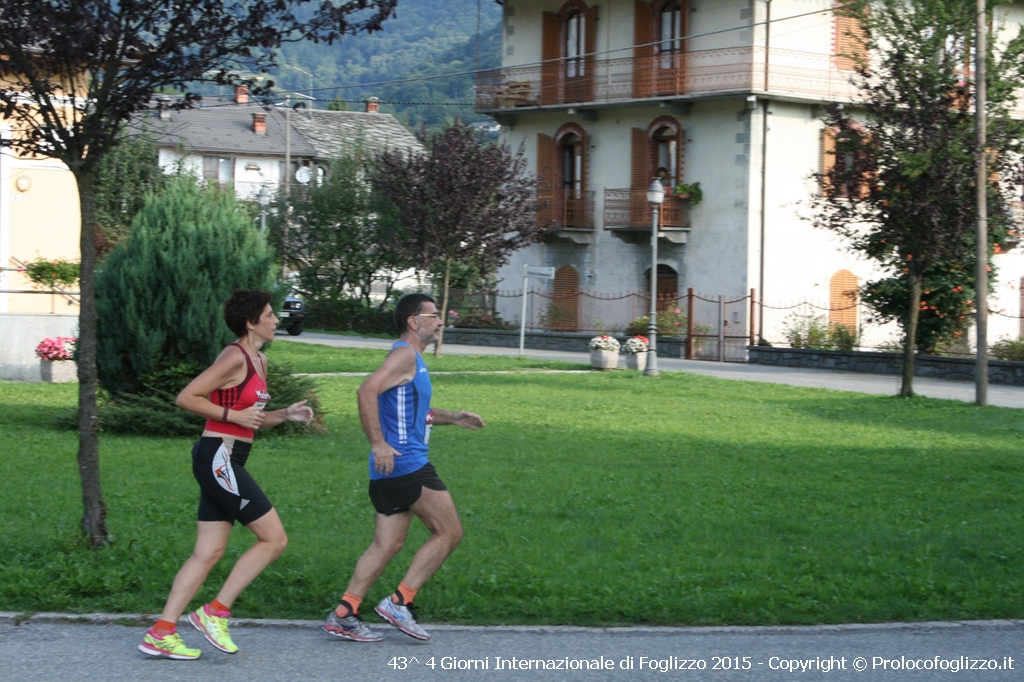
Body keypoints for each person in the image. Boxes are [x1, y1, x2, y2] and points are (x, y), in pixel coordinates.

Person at [139, 289, 314, 660]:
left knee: (208, 552)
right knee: (274, 539)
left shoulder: (260, 361)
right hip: (219, 457)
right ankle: (215, 612)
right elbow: (188, 397)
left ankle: (161, 633)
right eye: (269, 315)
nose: (276, 320)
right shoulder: (234, 356)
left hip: (227, 458)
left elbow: (252, 418)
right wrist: (233, 416)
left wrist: (285, 415)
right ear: (250, 323)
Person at [323, 293, 485, 642]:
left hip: (387, 470)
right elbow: (365, 391)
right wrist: (378, 442)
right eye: (433, 315)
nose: (440, 322)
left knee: (386, 545)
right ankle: (400, 602)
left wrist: (453, 417)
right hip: (407, 464)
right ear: (413, 321)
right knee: (449, 532)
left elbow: (416, 413)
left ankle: (344, 613)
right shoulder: (405, 355)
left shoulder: (411, 359)